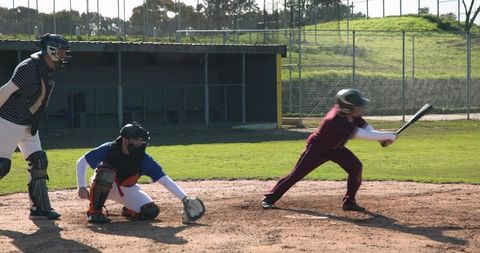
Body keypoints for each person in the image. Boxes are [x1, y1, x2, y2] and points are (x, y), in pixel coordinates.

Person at [262, 89, 397, 211]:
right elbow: (365, 136)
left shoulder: (350, 114)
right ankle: (269, 198)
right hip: (317, 149)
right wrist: (388, 135)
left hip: (337, 148)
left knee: (355, 167)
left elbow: (369, 130)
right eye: (358, 106)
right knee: (296, 175)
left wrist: (382, 138)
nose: (361, 108)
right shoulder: (335, 121)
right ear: (347, 108)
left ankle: (349, 202)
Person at [0, 33, 72, 219]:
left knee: (39, 161)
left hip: (29, 123)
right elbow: (5, 91)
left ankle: (38, 208)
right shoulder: (28, 67)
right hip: (8, 121)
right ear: (51, 50)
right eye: (62, 52)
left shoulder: (48, 67)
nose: (64, 55)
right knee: (1, 166)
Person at [76, 121, 205, 224]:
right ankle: (95, 212)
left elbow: (164, 179)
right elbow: (81, 162)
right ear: (126, 140)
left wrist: (184, 198)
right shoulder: (109, 149)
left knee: (150, 212)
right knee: (106, 174)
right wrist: (81, 186)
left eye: (141, 140)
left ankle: (129, 209)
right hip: (103, 185)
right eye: (136, 139)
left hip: (127, 189)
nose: (140, 143)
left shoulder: (143, 158)